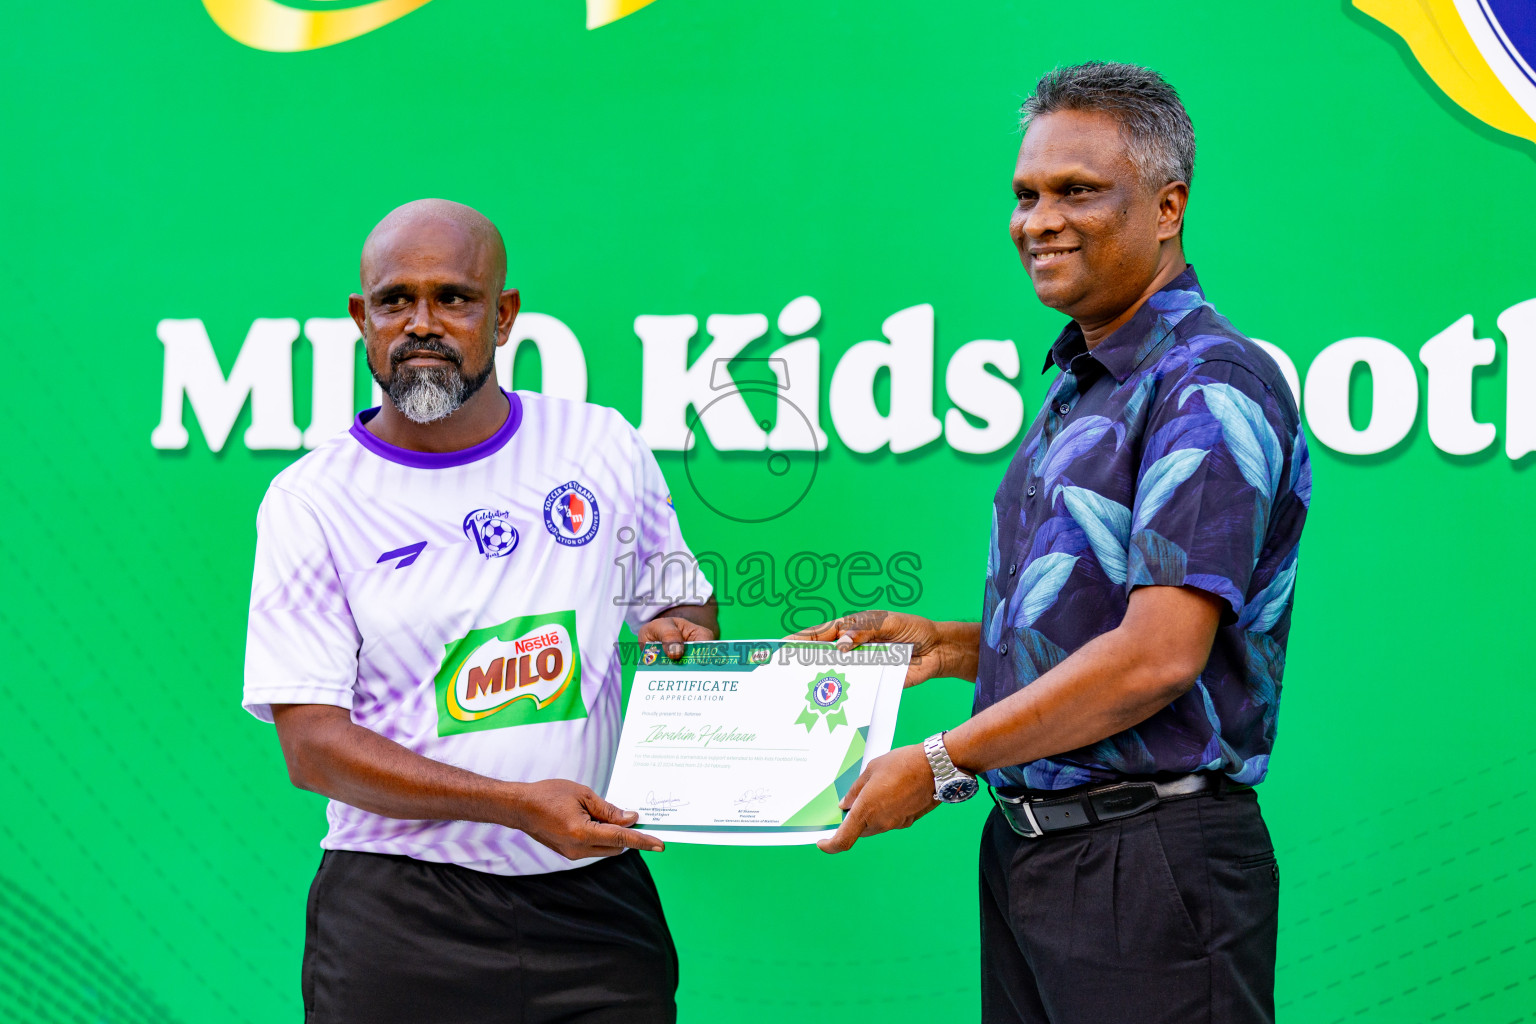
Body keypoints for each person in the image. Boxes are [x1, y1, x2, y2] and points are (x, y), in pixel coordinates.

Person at [800, 63, 1311, 1023]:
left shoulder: (1208, 383)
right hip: (1039, 855)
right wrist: (950, 647)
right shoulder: (1087, 379)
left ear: (1168, 207)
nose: (1038, 221)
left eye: (1078, 191)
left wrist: (945, 761)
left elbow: (1158, 656)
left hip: (1150, 867)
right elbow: (1105, 621)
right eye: (1026, 195)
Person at [242, 198, 718, 1024]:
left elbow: (677, 600)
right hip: (399, 918)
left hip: (593, 907)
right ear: (362, 319)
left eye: (453, 298)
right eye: (396, 300)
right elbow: (313, 746)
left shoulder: (600, 445)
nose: (422, 323)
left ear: (503, 316)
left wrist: (683, 633)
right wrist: (512, 804)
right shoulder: (311, 500)